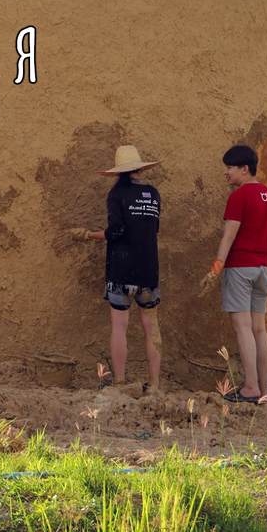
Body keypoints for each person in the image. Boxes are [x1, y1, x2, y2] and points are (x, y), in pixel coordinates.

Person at [200, 145, 267, 405]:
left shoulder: (239, 197)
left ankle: (251, 387)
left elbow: (229, 235)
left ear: (244, 168)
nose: (226, 173)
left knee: (242, 328)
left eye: (229, 168)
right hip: (263, 268)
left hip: (240, 268)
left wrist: (216, 267)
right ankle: (264, 389)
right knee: (259, 329)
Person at [70, 145, 163, 392]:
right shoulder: (153, 194)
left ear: (118, 171)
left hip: (122, 270)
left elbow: (116, 232)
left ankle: (120, 382)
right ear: (140, 169)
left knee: (119, 327)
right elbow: (153, 229)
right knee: (151, 327)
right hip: (148, 270)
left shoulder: (117, 194)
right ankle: (154, 385)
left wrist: (87, 235)